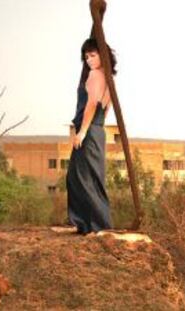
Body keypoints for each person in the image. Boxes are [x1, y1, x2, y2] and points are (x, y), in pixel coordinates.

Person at [66, 38, 118, 235]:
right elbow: (106, 107)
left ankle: (95, 225)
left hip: (89, 132)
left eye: (93, 55)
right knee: (92, 178)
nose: (88, 60)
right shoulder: (109, 77)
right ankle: (94, 225)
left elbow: (92, 104)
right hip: (98, 130)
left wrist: (83, 132)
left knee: (79, 178)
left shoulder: (96, 75)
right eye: (86, 57)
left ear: (103, 55)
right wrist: (97, 126)